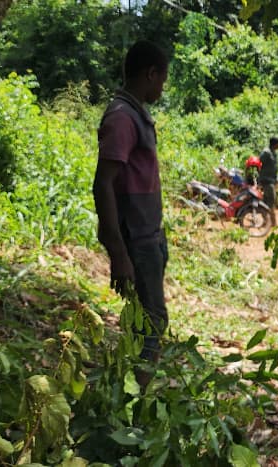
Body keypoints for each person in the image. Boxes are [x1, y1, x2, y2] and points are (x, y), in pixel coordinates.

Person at [91, 41, 170, 387]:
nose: (162, 87)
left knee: (145, 322)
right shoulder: (123, 117)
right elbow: (102, 184)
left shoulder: (134, 113)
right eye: (162, 79)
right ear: (151, 74)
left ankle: (131, 397)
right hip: (135, 240)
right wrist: (119, 253)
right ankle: (136, 405)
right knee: (152, 323)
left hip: (147, 237)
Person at [258, 137, 278, 225]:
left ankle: (267, 221)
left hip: (271, 180)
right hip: (266, 181)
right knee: (270, 200)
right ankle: (271, 222)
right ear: (275, 144)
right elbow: (259, 164)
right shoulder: (266, 153)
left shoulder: (273, 153)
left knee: (268, 201)